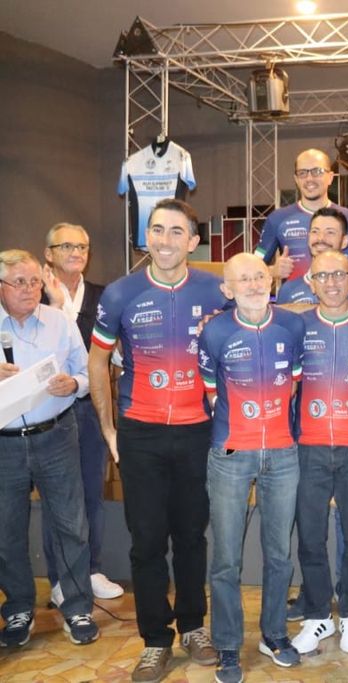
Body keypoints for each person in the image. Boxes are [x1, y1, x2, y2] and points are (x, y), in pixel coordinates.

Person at [90, 198, 223, 682]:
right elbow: (97, 361)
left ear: (193, 242)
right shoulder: (120, 293)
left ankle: (193, 626)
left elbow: (261, 313)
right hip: (140, 433)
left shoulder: (215, 290)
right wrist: (109, 430)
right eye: (157, 230)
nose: (165, 240)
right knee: (146, 541)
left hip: (197, 431)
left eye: (176, 232)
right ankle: (155, 641)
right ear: (147, 237)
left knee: (190, 536)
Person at [198, 253, 306, 683]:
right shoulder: (215, 331)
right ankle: (227, 645)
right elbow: (211, 391)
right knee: (226, 559)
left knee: (279, 554)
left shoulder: (292, 325)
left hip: (283, 452)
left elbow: (294, 382)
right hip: (230, 454)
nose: (254, 284)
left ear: (271, 282)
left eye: (260, 276)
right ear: (227, 290)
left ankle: (274, 634)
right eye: (243, 279)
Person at [0, 250, 98, 648]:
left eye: (34, 282)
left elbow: (86, 371)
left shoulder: (59, 321)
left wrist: (73, 384)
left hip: (56, 434)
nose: (29, 289)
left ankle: (76, 607)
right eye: (19, 282)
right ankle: (18, 607)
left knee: (70, 524)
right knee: (6, 529)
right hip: (4, 443)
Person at [291, 250, 348, 656]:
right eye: (322, 275)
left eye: (339, 275)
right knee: (310, 535)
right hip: (307, 446)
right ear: (310, 282)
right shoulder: (296, 325)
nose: (331, 282)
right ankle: (317, 616)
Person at [39, 223, 124, 605]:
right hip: (50, 411)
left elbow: (108, 352)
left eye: (83, 247)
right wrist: (56, 306)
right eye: (67, 246)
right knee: (58, 497)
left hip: (91, 406)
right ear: (49, 253)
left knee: (92, 490)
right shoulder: (34, 296)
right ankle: (61, 577)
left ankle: (91, 569)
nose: (76, 252)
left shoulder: (104, 296)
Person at [256, 148, 348, 282]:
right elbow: (253, 265)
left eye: (317, 171)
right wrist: (272, 270)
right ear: (296, 179)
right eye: (302, 173)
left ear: (330, 177)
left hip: (337, 294)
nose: (309, 179)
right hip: (293, 296)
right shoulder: (277, 219)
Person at [275, 206, 348, 310]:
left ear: (344, 241)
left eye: (330, 232)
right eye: (315, 231)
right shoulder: (288, 291)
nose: (321, 238)